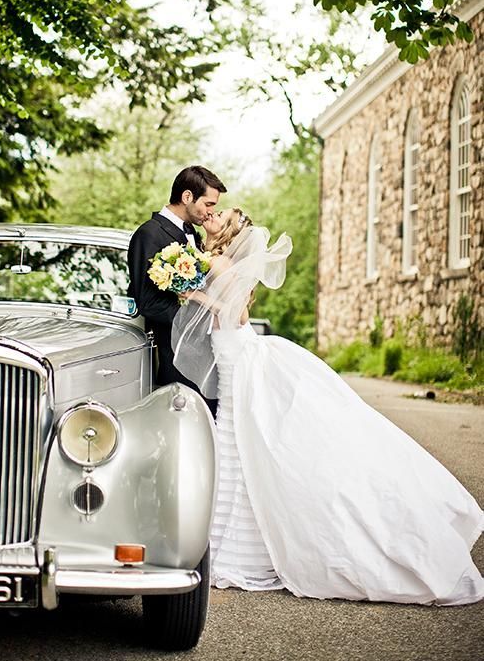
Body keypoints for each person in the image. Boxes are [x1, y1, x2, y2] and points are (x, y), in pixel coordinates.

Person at [172, 209, 484, 605]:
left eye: (222, 215)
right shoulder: (216, 258)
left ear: (231, 231)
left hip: (236, 349)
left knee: (237, 439)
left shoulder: (220, 262)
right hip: (235, 347)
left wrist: (194, 295)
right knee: (236, 441)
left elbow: (239, 313)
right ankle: (238, 549)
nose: (214, 216)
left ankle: (234, 553)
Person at [127, 165, 226, 415]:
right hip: (176, 358)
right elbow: (148, 303)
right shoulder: (149, 234)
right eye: (208, 204)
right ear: (187, 196)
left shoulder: (192, 233)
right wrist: (199, 319)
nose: (210, 211)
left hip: (206, 355)